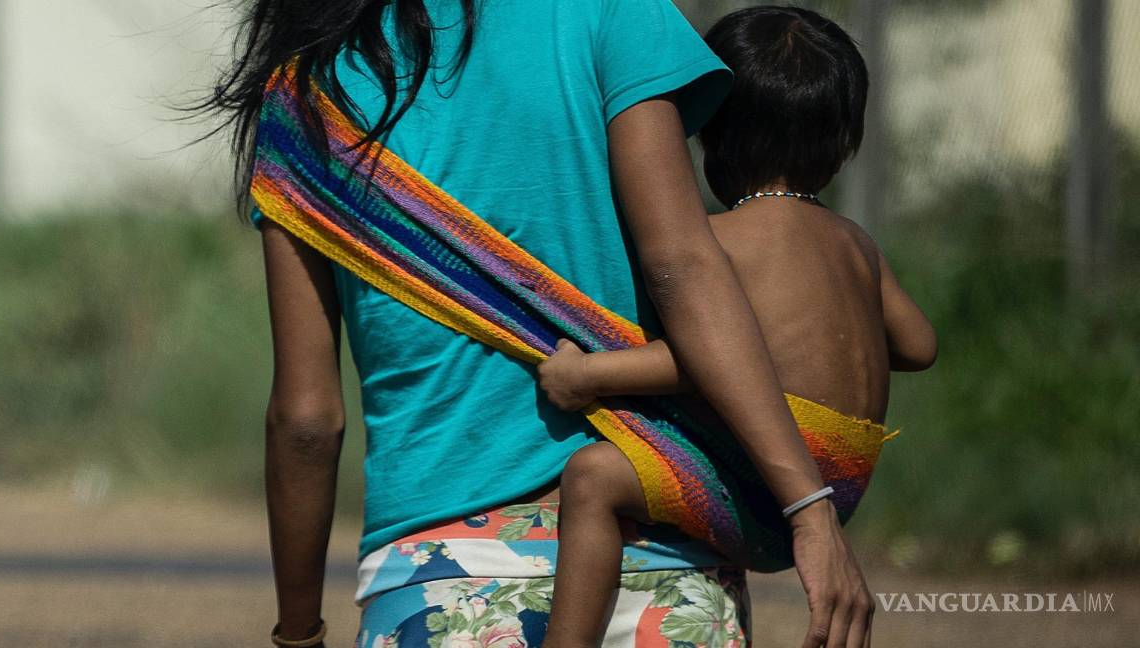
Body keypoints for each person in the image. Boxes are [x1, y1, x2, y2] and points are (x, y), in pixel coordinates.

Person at [199, 0, 876, 646]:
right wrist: (809, 508)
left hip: (445, 577)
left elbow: (307, 422)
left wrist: (298, 634)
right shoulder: (613, 12)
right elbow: (685, 267)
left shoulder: (306, 97)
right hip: (659, 558)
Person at [536, 6, 937, 647]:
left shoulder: (721, 243)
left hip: (768, 488)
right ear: (843, 145)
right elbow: (920, 346)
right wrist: (834, 338)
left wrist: (586, 373)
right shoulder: (856, 243)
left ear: (708, 138)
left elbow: (704, 359)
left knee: (592, 478)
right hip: (844, 482)